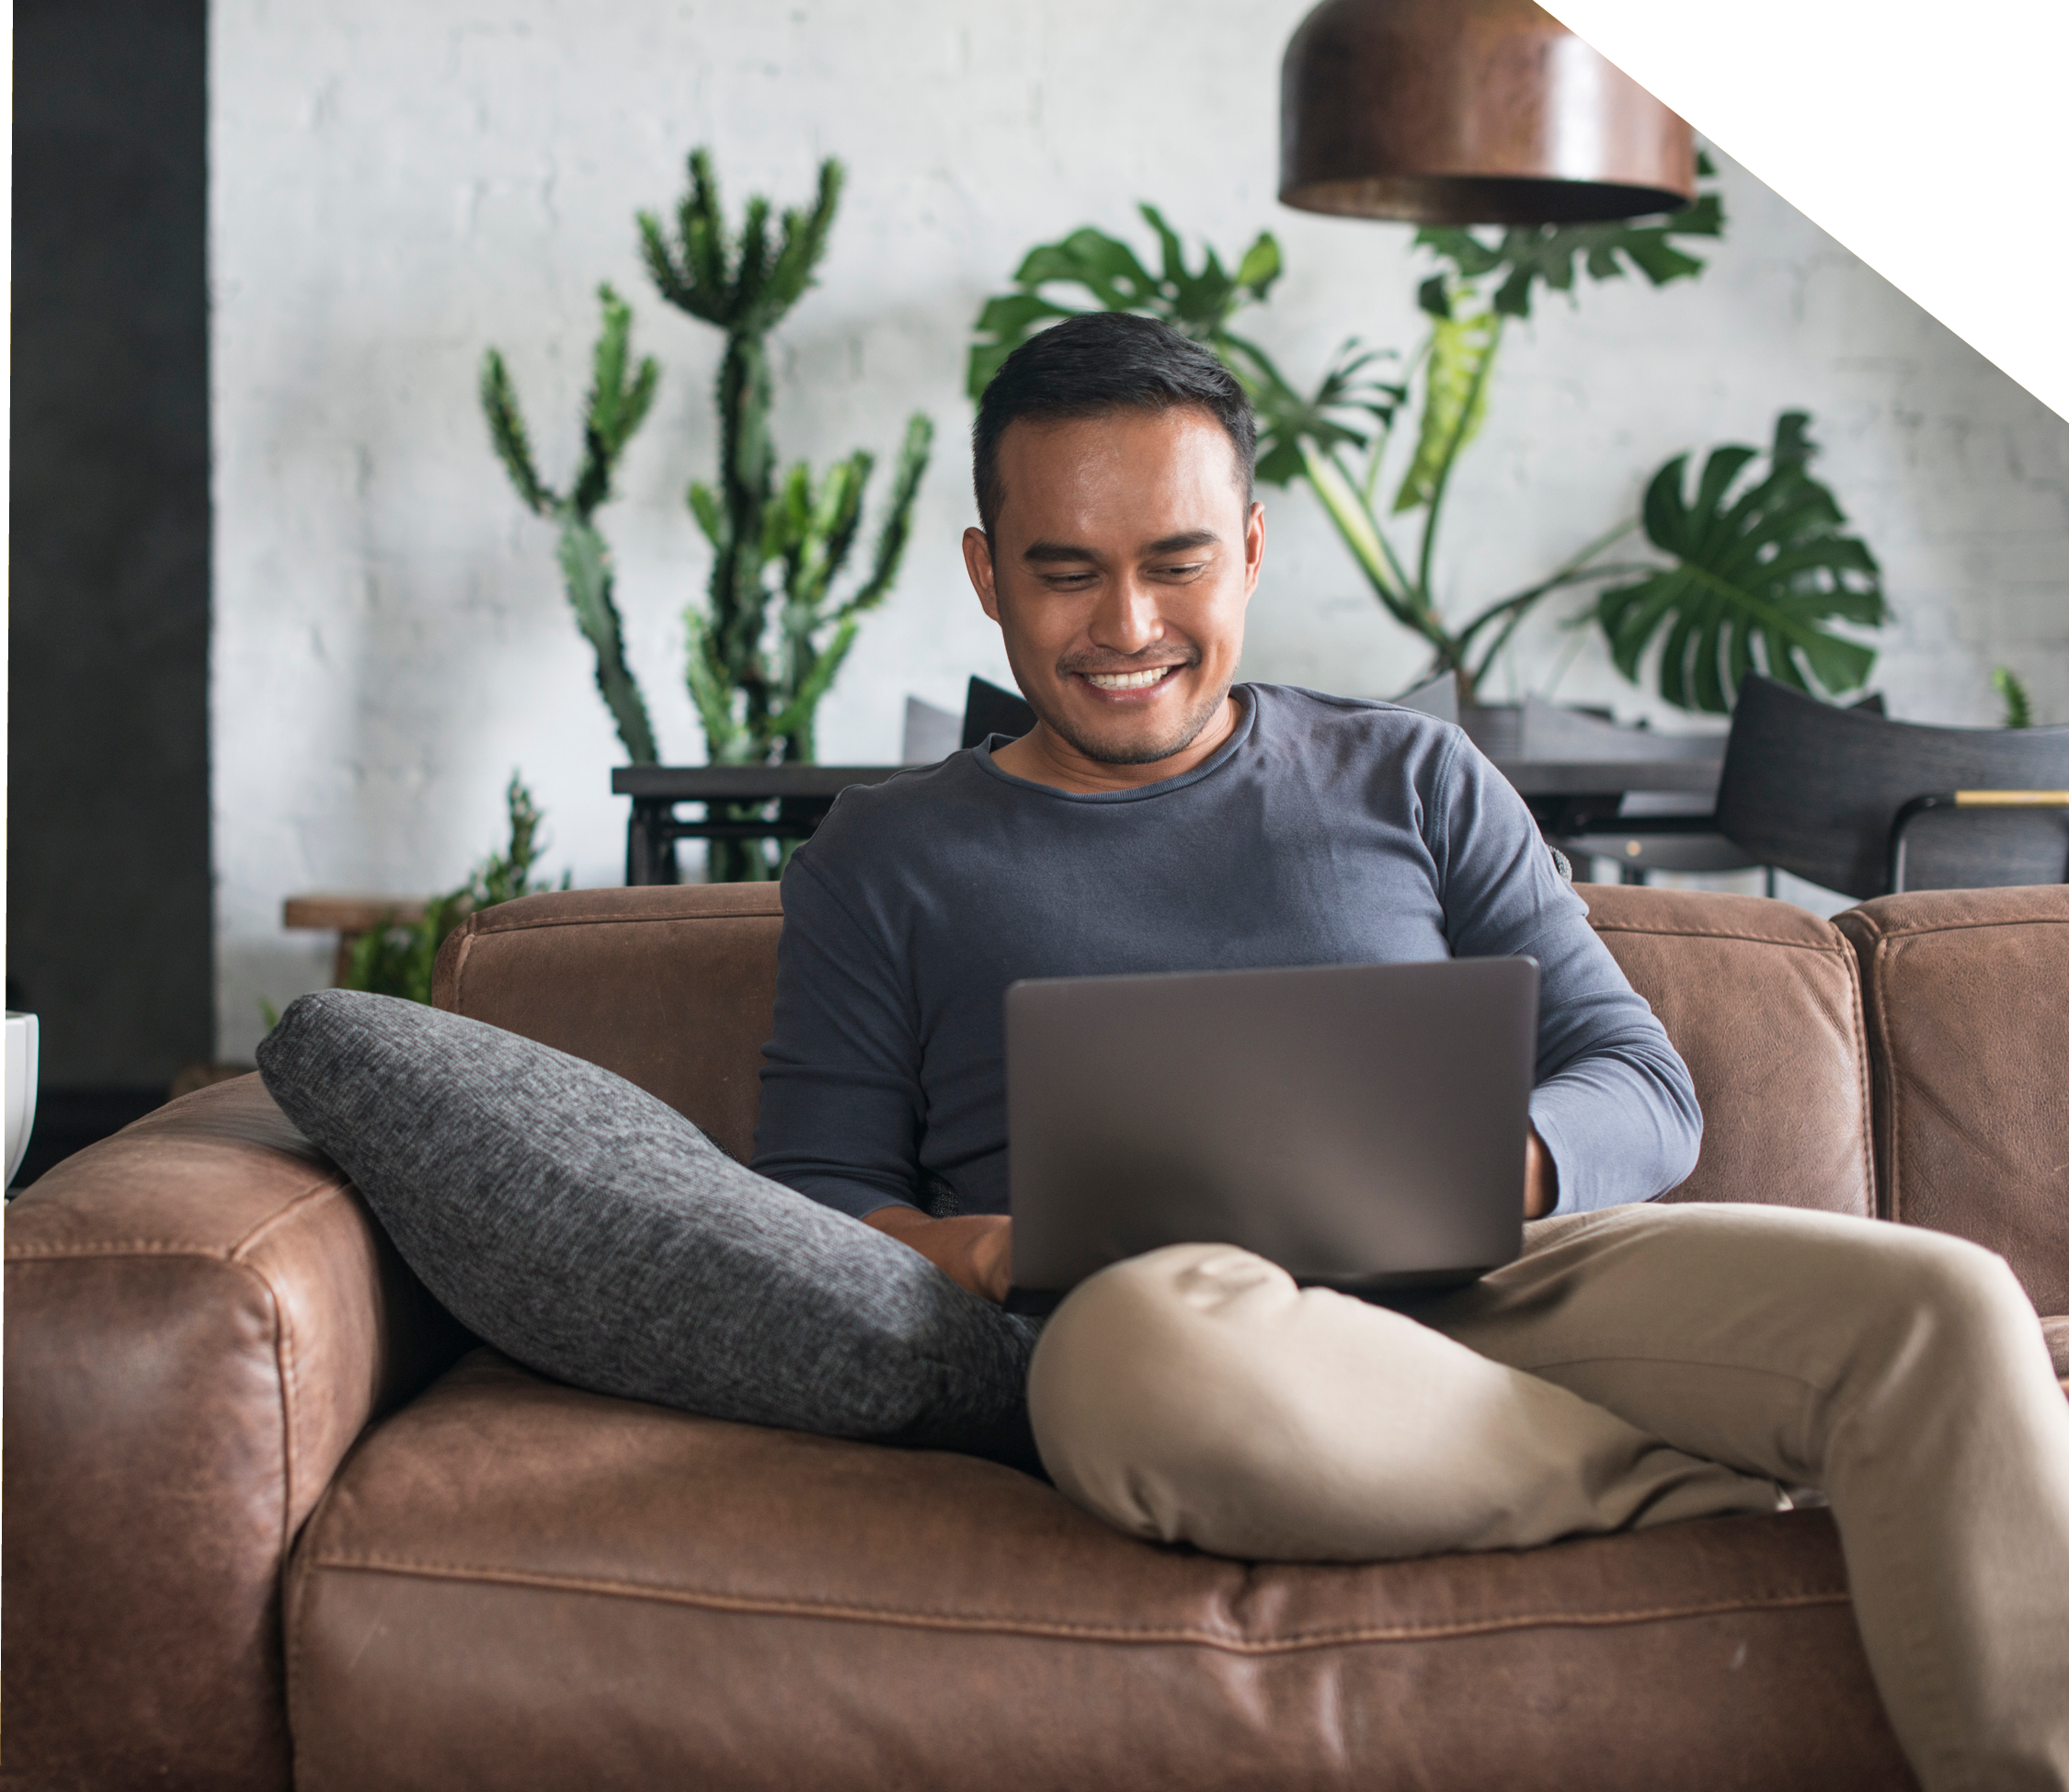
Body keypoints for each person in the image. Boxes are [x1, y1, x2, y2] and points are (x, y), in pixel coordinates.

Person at [261, 312, 2067, 1791]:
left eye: (1177, 563)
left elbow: (1641, 1084)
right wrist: (981, 1246)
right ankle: (1702, 1477)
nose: (1127, 627)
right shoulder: (887, 862)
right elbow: (813, 1203)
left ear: (1254, 551)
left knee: (1950, 1304)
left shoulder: (1415, 777)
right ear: (987, 574)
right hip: (1174, 1327)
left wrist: (1492, 1162)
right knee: (1133, 1361)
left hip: (1502, 1274)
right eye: (1065, 573)